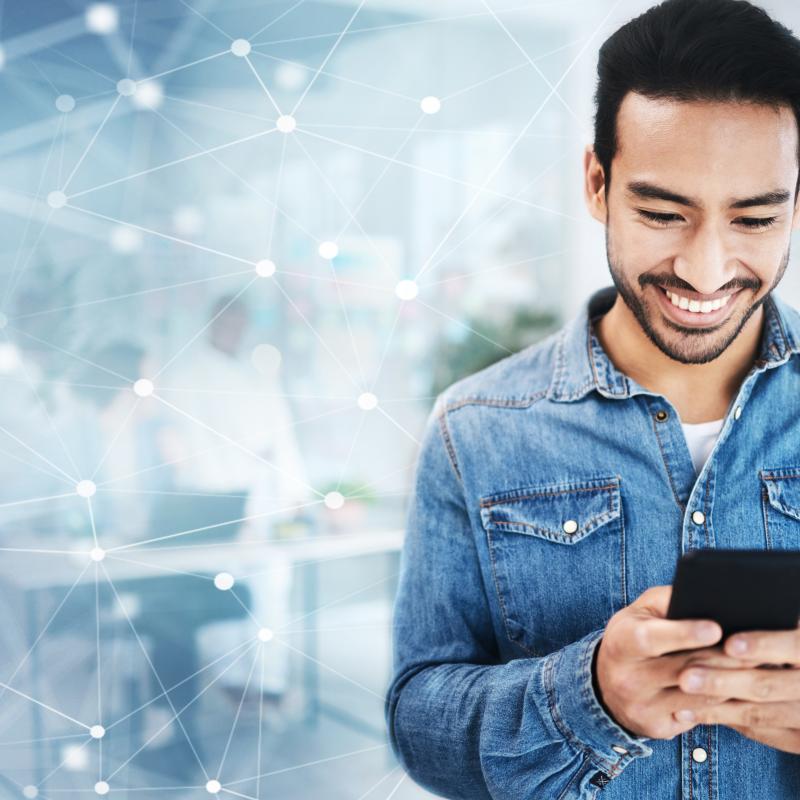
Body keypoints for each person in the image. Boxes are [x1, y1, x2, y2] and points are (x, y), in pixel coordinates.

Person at [386, 0, 800, 797]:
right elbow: (419, 726)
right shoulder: (474, 433)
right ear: (597, 184)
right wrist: (592, 696)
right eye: (661, 212)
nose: (708, 272)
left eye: (754, 218)